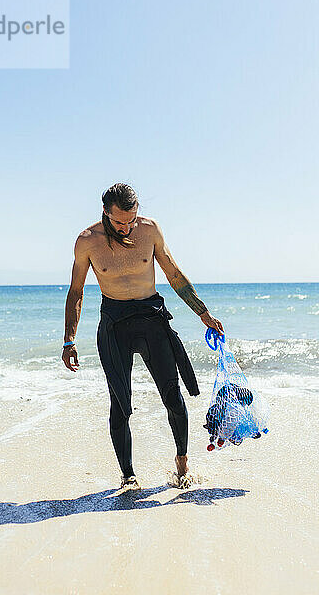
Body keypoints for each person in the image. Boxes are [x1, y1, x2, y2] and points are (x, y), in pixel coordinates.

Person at [62, 183, 224, 490]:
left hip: (152, 321)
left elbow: (174, 274)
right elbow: (76, 291)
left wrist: (203, 314)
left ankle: (182, 463)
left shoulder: (150, 231)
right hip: (114, 326)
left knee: (172, 397)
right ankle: (128, 476)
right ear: (106, 212)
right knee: (120, 405)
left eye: (131, 220)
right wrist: (69, 339)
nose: (126, 227)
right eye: (119, 221)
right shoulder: (87, 241)